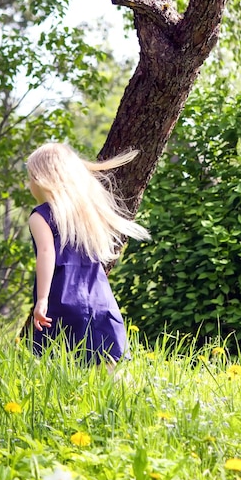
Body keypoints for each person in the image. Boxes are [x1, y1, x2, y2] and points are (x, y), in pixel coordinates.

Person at [26, 142, 149, 368]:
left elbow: (46, 253)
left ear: (41, 179)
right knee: (109, 364)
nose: (28, 185)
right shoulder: (84, 213)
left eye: (30, 178)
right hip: (99, 299)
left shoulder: (40, 216)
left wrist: (41, 300)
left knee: (61, 364)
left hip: (61, 299)